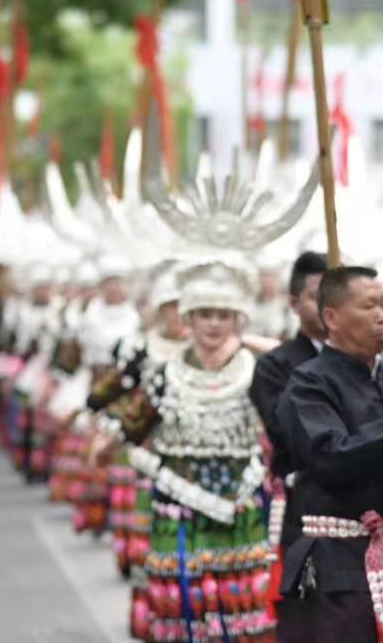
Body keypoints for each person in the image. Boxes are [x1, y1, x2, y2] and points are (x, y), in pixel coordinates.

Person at [87, 259, 275, 641]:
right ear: (188, 319)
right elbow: (132, 420)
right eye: (204, 314)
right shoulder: (165, 374)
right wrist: (104, 444)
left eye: (223, 315)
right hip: (178, 499)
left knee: (242, 600)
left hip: (241, 500)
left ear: (237, 319)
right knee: (182, 595)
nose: (214, 324)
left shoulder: (256, 368)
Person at [276, 266, 383, 643]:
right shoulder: (307, 382)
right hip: (340, 563)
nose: (382, 315)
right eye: (369, 305)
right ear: (331, 317)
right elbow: (331, 457)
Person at [246, 251, 327, 633]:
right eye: (316, 296)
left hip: (369, 517)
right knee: (304, 620)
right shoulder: (275, 366)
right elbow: (289, 436)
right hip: (303, 509)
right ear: (294, 303)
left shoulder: (375, 365)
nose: (328, 306)